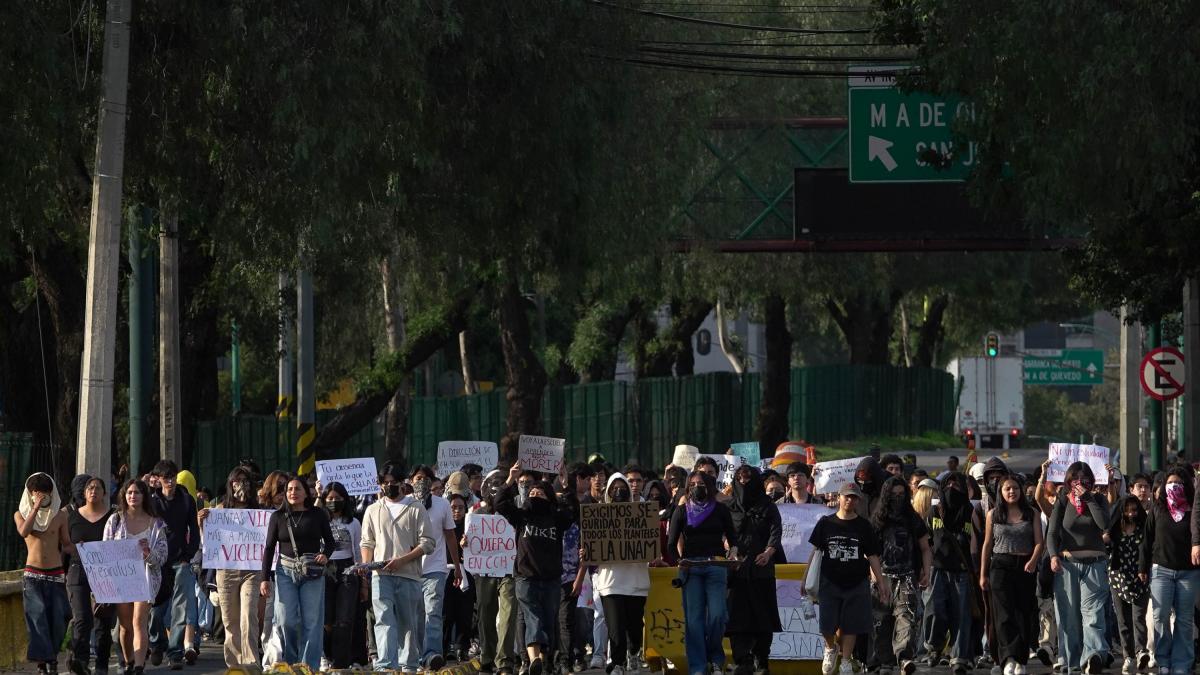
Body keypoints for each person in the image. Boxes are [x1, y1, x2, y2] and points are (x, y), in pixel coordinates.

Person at [495, 462, 581, 675]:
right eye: (532, 491)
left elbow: (574, 511)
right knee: (532, 616)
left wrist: (565, 485)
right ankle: (533, 659)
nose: (534, 493)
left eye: (540, 492)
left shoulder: (556, 519)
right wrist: (510, 478)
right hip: (526, 578)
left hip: (551, 579)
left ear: (549, 497)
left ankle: (542, 661)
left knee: (548, 620)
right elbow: (500, 503)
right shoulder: (521, 517)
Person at [807, 483, 890, 675]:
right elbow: (816, 551)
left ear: (858, 500)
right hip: (829, 580)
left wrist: (881, 582)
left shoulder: (864, 525)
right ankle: (830, 648)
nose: (850, 500)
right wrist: (805, 577)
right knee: (827, 624)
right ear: (839, 497)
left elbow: (873, 556)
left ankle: (846, 660)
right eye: (846, 496)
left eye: (854, 497)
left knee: (851, 624)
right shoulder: (826, 523)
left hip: (857, 581)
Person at [361, 464, 435, 672]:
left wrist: (403, 560)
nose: (390, 486)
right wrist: (367, 565)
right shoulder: (373, 510)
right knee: (383, 620)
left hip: (409, 574)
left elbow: (428, 542)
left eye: (394, 482)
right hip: (380, 574)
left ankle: (409, 664)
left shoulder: (415, 508)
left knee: (408, 622)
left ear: (403, 483)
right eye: (386, 483)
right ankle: (386, 665)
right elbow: (367, 542)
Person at [666, 471, 738, 675]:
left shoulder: (721, 510)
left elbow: (733, 539)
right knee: (694, 620)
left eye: (702, 484)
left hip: (716, 567)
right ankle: (698, 667)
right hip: (692, 569)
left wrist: (733, 553)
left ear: (710, 486)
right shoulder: (681, 511)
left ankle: (716, 659)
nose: (697, 487)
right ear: (688, 488)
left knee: (717, 615)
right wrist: (680, 562)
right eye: (693, 484)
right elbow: (671, 544)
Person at [260, 478, 335, 671]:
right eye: (290, 489)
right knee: (286, 619)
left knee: (312, 621)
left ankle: (308, 666)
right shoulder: (278, 516)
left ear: (306, 493)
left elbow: (330, 542)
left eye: (298, 489)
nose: (293, 492)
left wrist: (325, 556)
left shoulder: (317, 514)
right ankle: (291, 661)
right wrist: (264, 578)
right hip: (285, 570)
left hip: (312, 571)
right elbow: (269, 548)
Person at [1046, 461, 1110, 675]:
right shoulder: (1063, 501)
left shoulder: (1099, 499)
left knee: (1093, 614)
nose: (1080, 484)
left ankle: (1092, 656)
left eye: (1085, 480)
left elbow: (1103, 524)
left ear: (1092, 482)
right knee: (1069, 617)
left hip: (1095, 563)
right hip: (1068, 565)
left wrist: (1089, 499)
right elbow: (1053, 532)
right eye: (1075, 480)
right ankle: (1072, 663)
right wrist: (1054, 556)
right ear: (1068, 482)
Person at [198, 466, 263, 668]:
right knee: (230, 621)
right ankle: (235, 666)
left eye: (245, 481)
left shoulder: (257, 512)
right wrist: (202, 524)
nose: (241, 486)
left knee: (248, 617)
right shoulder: (219, 511)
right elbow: (207, 543)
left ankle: (251, 664)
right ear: (230, 484)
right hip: (226, 572)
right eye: (237, 481)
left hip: (251, 571)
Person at [104, 479, 169, 675]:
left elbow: (162, 556)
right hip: (122, 580)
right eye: (130, 492)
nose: (133, 496)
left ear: (144, 496)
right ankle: (129, 661)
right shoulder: (114, 521)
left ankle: (140, 667)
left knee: (139, 622)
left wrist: (148, 553)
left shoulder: (156, 524)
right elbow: (105, 551)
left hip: (146, 579)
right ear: (124, 495)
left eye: (137, 493)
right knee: (125, 626)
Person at [979, 474, 1043, 675]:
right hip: (1000, 566)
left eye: (1015, 488)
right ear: (1000, 492)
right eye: (1007, 489)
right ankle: (1008, 658)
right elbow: (987, 545)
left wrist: (1033, 560)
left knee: (1023, 613)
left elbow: (1039, 542)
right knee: (1003, 614)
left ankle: (1021, 659)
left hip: (1025, 567)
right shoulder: (993, 515)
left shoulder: (1031, 513)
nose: (1012, 492)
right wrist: (983, 574)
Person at [590, 473, 651, 675]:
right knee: (615, 628)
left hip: (636, 582)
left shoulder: (641, 514)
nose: (619, 492)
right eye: (614, 488)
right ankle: (618, 663)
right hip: (610, 582)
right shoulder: (599, 517)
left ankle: (633, 652)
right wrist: (587, 551)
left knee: (634, 627)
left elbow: (650, 545)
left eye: (622, 487)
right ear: (608, 492)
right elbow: (592, 549)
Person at [1141, 464, 1198, 675]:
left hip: (1188, 573)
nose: (1174, 486)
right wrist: (1142, 567)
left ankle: (1182, 663)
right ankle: (1163, 660)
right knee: (1160, 615)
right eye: (1170, 483)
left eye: (1179, 483)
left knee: (1184, 619)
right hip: (1161, 571)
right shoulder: (1157, 508)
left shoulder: (1193, 511)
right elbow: (1147, 540)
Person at [870, 476, 931, 675]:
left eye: (901, 495)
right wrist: (875, 577)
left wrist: (926, 570)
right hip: (882, 576)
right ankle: (885, 661)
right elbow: (870, 553)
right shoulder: (877, 521)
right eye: (894, 495)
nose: (898, 498)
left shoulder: (913, 519)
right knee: (882, 620)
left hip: (907, 577)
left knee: (906, 618)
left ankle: (904, 658)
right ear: (886, 496)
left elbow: (925, 547)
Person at [726, 466, 784, 675]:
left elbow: (776, 530)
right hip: (736, 569)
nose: (744, 482)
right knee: (736, 616)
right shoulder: (730, 506)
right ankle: (743, 658)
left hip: (761, 568)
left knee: (763, 616)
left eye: (748, 478)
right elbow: (724, 533)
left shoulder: (767, 506)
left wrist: (769, 552)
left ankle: (762, 658)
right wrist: (729, 550)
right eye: (739, 479)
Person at [148, 460, 201, 670]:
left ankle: (175, 652)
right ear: (159, 480)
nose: (169, 481)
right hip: (156, 560)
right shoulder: (152, 501)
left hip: (181, 560)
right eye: (165, 478)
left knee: (180, 607)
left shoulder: (187, 499)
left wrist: (189, 554)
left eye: (172, 477)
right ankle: (156, 642)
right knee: (155, 607)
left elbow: (193, 530)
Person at [408, 465, 462, 671]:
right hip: (410, 570)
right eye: (417, 477)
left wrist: (456, 567)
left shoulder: (442, 505)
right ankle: (417, 654)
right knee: (415, 615)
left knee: (433, 612)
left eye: (425, 478)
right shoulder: (406, 504)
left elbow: (450, 536)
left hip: (436, 568)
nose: (421, 481)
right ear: (411, 481)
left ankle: (432, 654)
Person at [16, 472, 71, 675]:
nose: (42, 498)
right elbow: (24, 531)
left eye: (45, 495)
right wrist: (35, 507)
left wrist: (83, 548)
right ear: (30, 494)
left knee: (58, 620)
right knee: (37, 618)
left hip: (56, 574)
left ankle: (53, 657)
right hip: (32, 576)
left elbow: (66, 544)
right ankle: (43, 662)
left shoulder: (60, 515)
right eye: (37, 494)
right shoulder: (20, 514)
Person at [923, 472, 975, 674]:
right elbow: (925, 542)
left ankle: (959, 657)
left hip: (962, 571)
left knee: (961, 615)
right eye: (948, 484)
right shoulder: (934, 512)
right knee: (935, 610)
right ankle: (933, 647)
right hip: (937, 569)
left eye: (957, 484)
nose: (952, 488)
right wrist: (924, 568)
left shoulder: (971, 512)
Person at [66, 474, 116, 675]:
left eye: (97, 487)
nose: (93, 491)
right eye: (90, 488)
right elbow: (64, 545)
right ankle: (81, 661)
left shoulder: (114, 517)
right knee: (82, 617)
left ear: (105, 493)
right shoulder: (72, 516)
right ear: (84, 493)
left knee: (103, 620)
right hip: (78, 571)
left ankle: (102, 665)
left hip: (105, 572)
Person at [320, 481, 362, 670]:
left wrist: (363, 581)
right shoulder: (320, 520)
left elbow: (358, 551)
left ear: (345, 500)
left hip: (347, 570)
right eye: (329, 498)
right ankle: (325, 655)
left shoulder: (353, 523)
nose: (334, 501)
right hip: (324, 569)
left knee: (344, 620)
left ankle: (340, 663)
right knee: (326, 619)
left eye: (337, 498)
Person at [1108, 496, 1149, 674]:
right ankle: (1128, 657)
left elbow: (1147, 550)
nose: (1131, 513)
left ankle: (1141, 652)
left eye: (1134, 509)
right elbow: (1107, 550)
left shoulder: (1144, 528)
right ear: (1121, 511)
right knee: (1123, 621)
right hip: (1118, 579)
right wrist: (1106, 540)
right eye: (1128, 510)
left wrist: (1143, 569)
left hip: (1140, 577)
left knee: (1138, 617)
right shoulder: (1115, 529)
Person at [443, 492, 475, 662]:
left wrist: (468, 544)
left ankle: (462, 647)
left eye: (461, 508)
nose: (457, 511)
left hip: (466, 573)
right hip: (446, 572)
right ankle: (445, 646)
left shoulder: (471, 527)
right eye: (453, 507)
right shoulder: (442, 526)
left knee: (465, 612)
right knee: (447, 612)